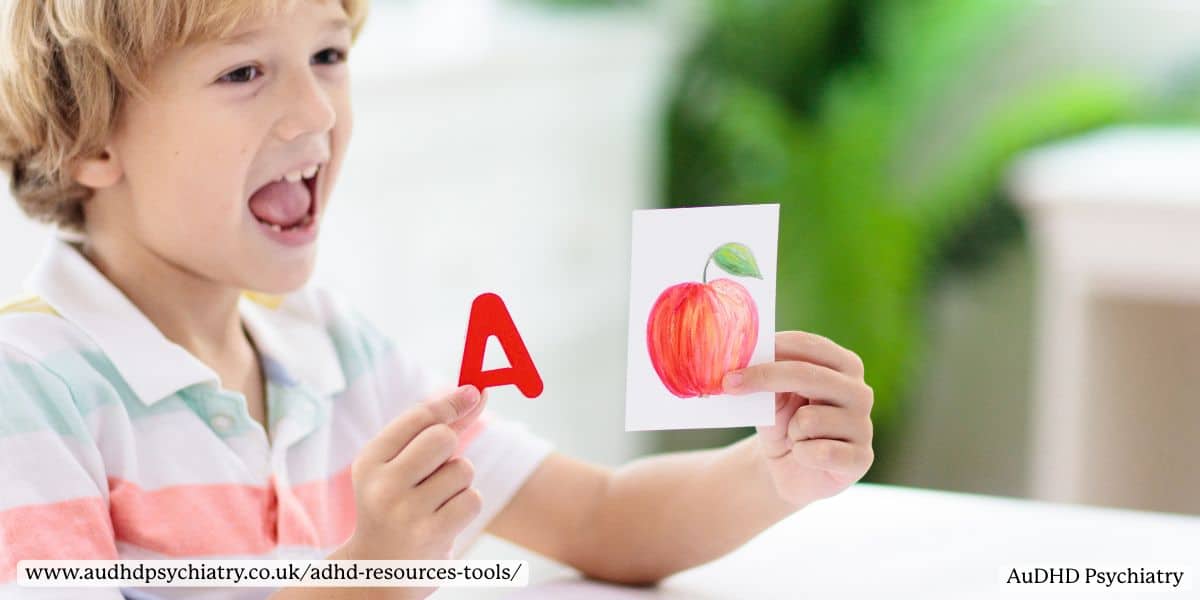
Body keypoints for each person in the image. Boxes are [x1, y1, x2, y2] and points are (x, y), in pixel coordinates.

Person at [0, 1, 875, 598]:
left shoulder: (337, 352)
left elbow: (604, 519)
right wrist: (366, 574)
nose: (315, 113)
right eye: (242, 75)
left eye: (329, 56)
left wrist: (776, 470)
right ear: (90, 140)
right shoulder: (31, 392)